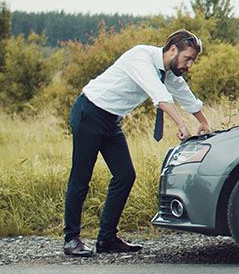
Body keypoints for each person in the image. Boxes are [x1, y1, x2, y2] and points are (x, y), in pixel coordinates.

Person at [62, 29, 211, 257]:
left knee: (125, 176)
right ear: (173, 49)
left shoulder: (169, 72)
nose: (189, 65)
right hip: (90, 112)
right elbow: (159, 95)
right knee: (81, 176)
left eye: (193, 60)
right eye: (187, 58)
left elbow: (185, 95)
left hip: (111, 119)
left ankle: (106, 239)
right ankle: (71, 239)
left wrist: (203, 122)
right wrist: (181, 123)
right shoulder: (140, 57)